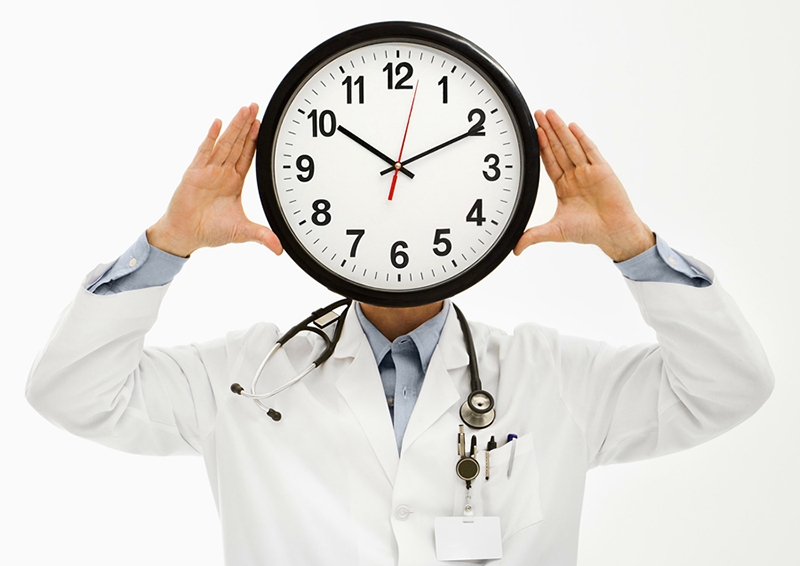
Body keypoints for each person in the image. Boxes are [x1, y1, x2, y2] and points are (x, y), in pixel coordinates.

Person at [26, 103, 773, 565]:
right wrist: (167, 244)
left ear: (488, 224)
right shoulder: (246, 376)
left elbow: (730, 386)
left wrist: (634, 248)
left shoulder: (555, 378)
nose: (401, 215)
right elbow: (72, 394)